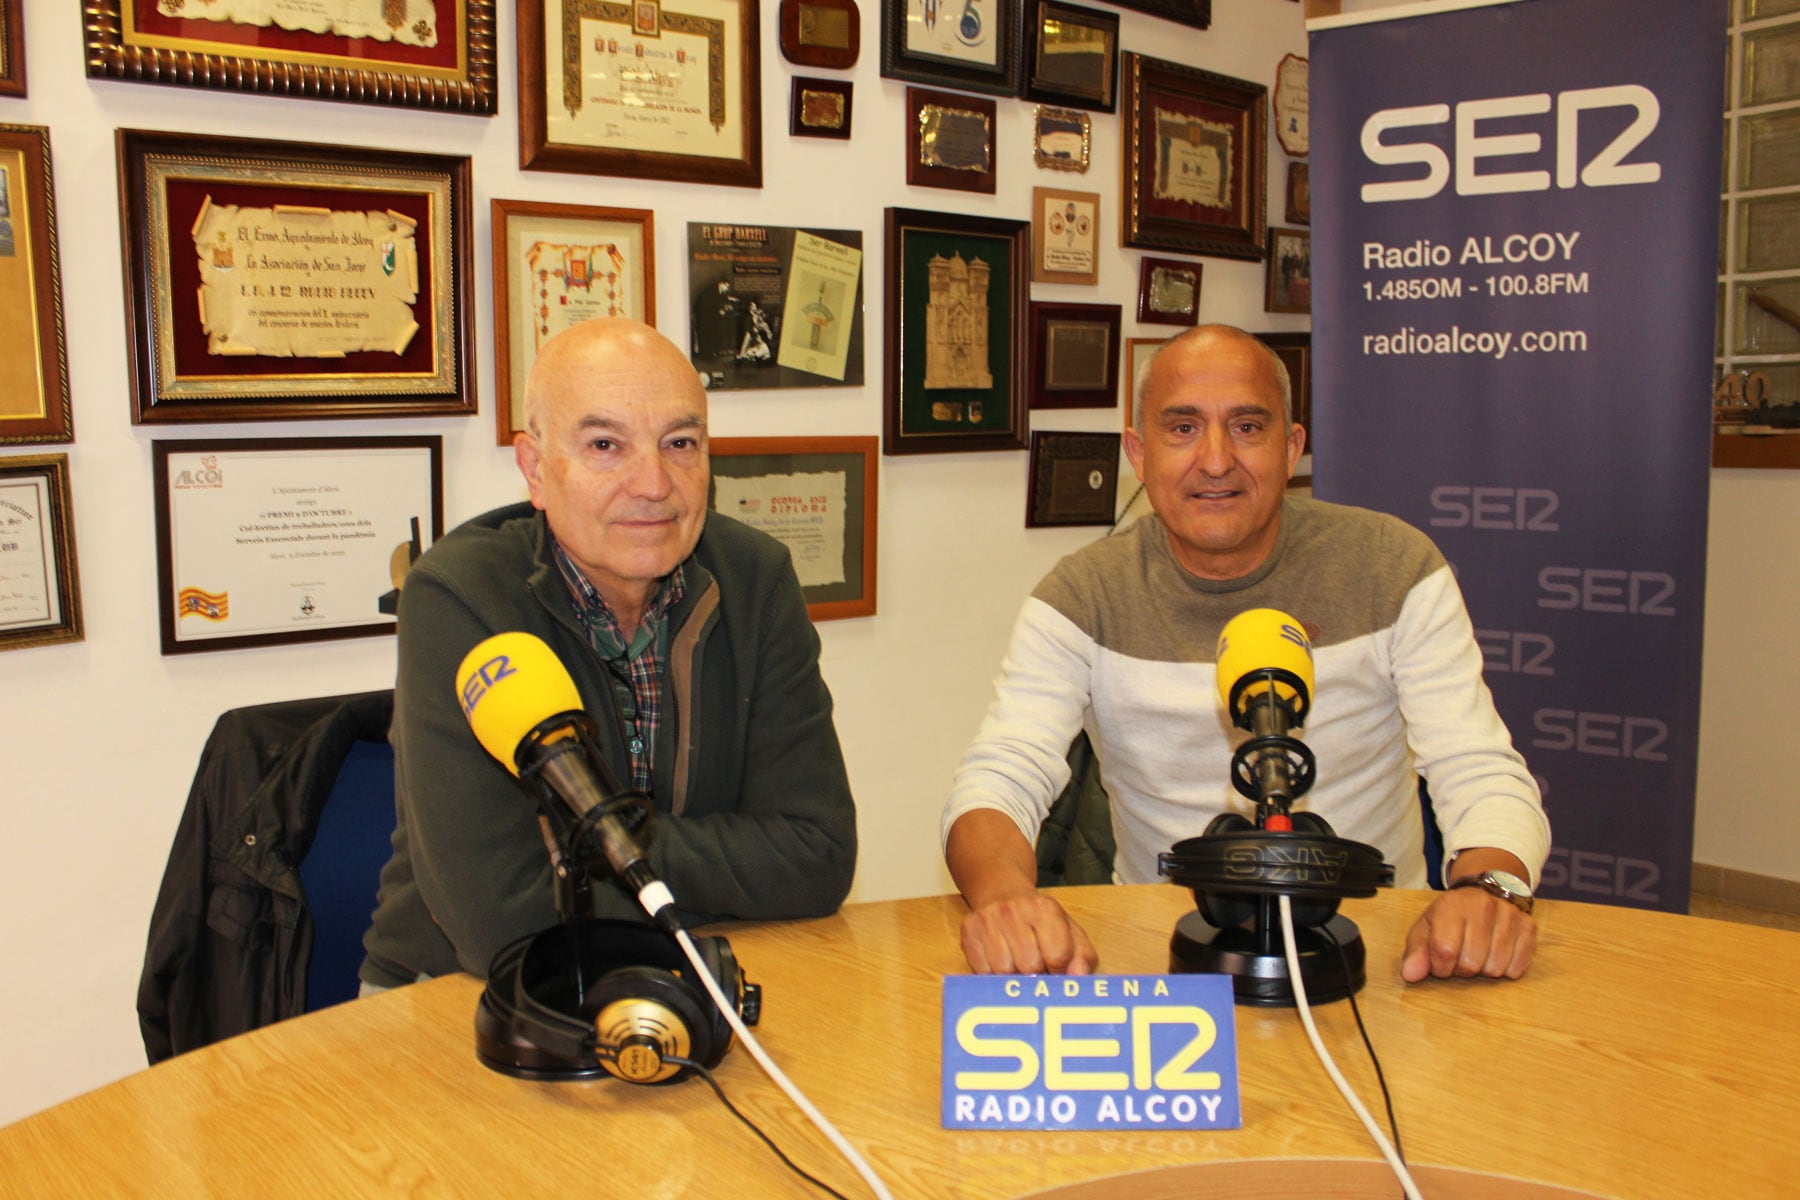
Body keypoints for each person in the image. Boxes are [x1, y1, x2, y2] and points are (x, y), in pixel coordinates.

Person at [941, 324, 1549, 985]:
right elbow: (1002, 774)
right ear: (1138, 456)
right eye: (1182, 429)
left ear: (1291, 449)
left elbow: (1478, 770)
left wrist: (1487, 892)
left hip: (1383, 956)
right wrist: (1004, 899)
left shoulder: (1393, 566)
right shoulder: (1081, 596)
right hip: (1160, 954)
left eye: (1248, 427)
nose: (1215, 459)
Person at [360, 319, 857, 990]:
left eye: (680, 442)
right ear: (536, 469)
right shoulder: (460, 598)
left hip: (691, 968)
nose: (654, 482)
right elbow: (497, 922)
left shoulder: (755, 577)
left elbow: (816, 855)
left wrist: (589, 843)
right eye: (605, 444)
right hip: (459, 993)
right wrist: (724, 861)